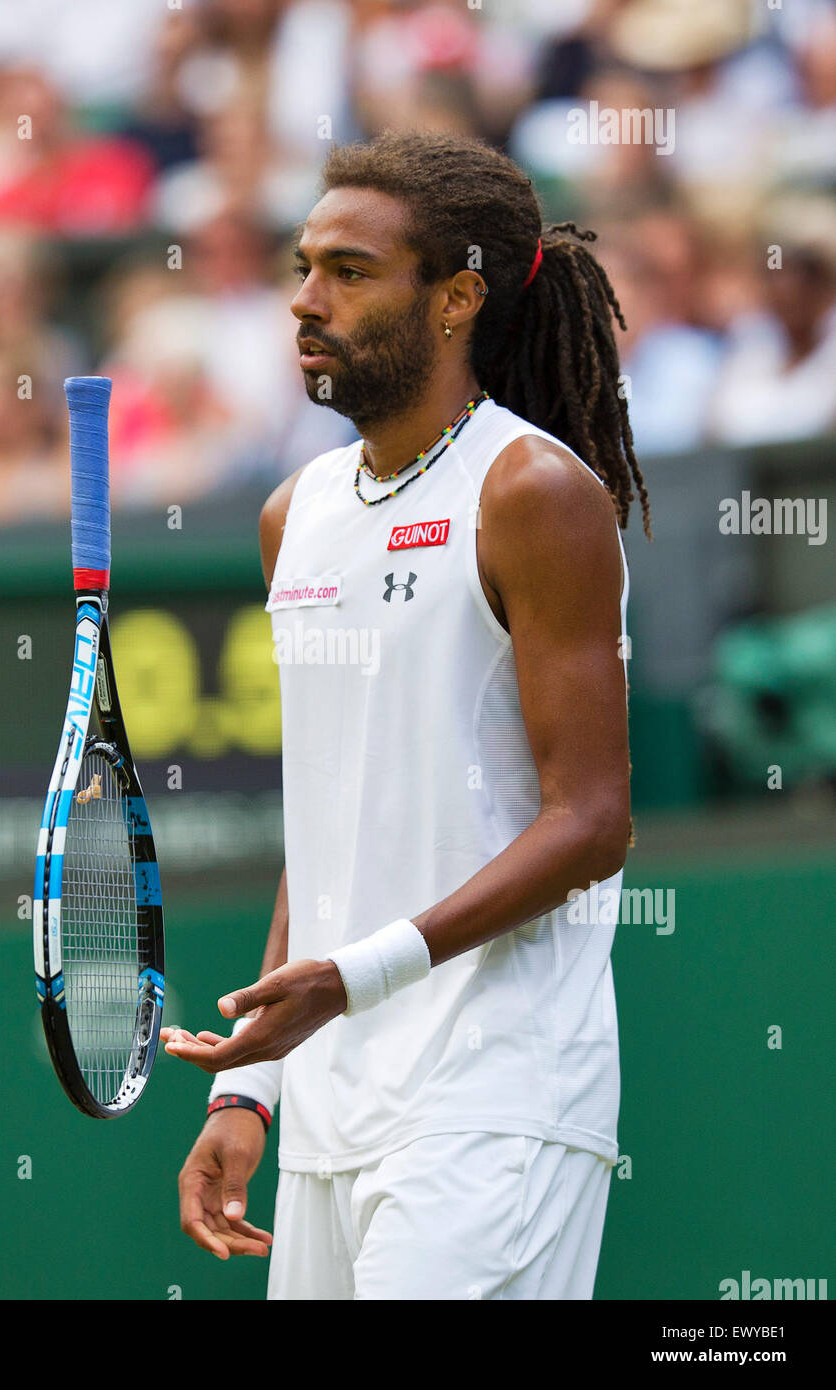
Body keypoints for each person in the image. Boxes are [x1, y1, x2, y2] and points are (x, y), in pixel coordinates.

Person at [160, 130, 649, 1300]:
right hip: (329, 1117)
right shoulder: (295, 513)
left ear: (455, 299)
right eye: (301, 266)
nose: (304, 303)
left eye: (349, 271)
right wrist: (249, 1090)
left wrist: (353, 975)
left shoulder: (530, 493)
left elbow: (591, 822)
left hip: (495, 1100)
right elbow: (326, 825)